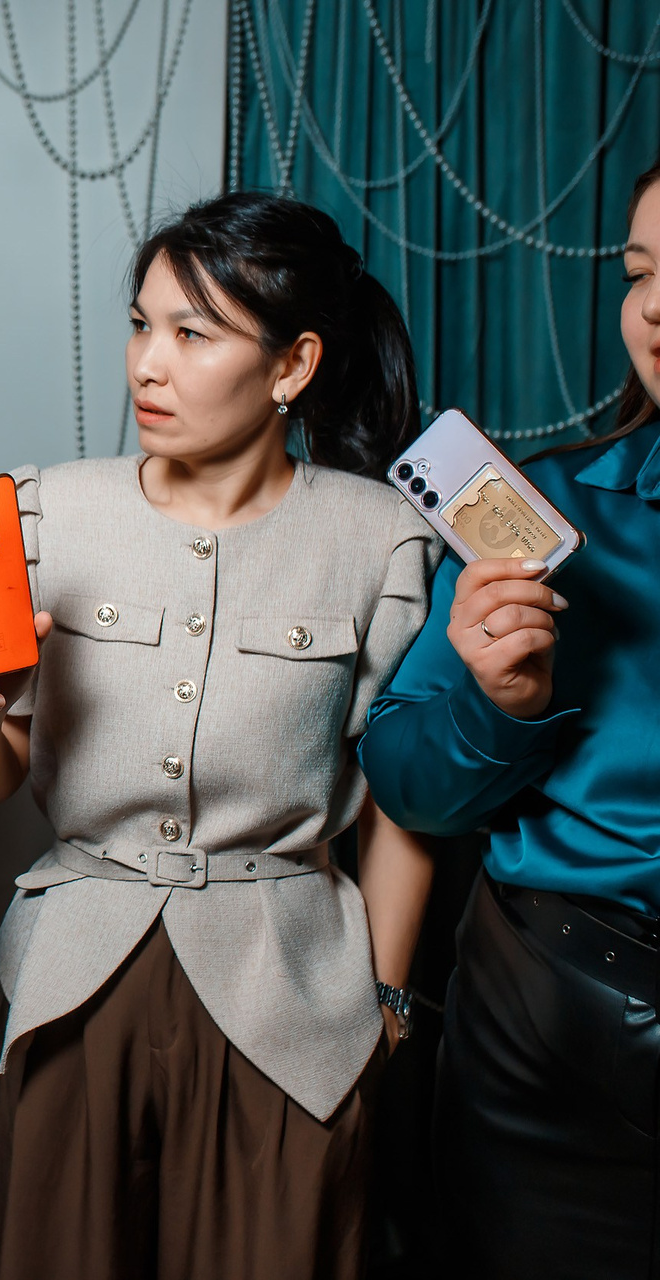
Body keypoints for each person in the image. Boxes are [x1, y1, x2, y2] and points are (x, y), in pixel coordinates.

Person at [0, 193, 439, 1280]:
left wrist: (388, 1000)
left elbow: (403, 792)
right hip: (76, 978)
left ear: (293, 365)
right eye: (140, 325)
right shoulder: (43, 512)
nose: (148, 365)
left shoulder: (381, 538)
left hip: (293, 993)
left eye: (193, 334)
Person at [358, 154, 660, 1279]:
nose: (654, 307)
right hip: (550, 1039)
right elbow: (403, 780)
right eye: (639, 274)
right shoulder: (550, 513)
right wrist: (499, 708)